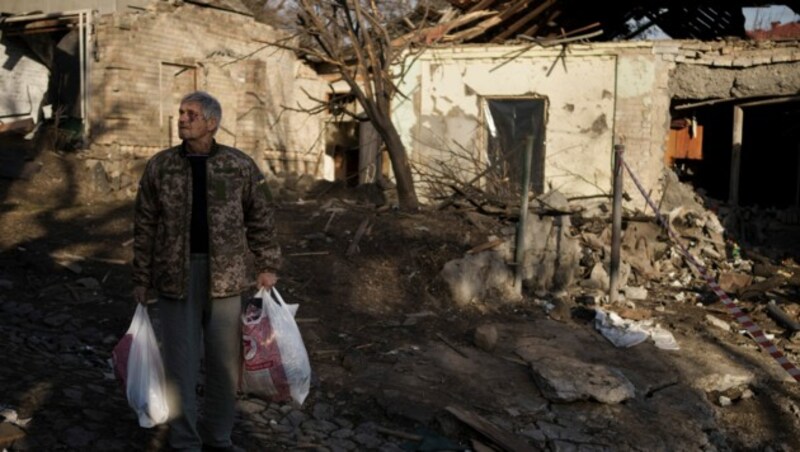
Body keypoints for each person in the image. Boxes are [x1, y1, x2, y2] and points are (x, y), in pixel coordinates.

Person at [132, 91, 281, 451]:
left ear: (212, 123)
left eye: (191, 114)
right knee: (179, 366)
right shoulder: (160, 166)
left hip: (226, 280)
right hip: (174, 277)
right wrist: (141, 278)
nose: (182, 118)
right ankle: (184, 441)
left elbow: (260, 216)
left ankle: (219, 437)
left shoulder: (239, 165)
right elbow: (145, 224)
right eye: (181, 112)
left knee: (224, 367)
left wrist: (267, 264)